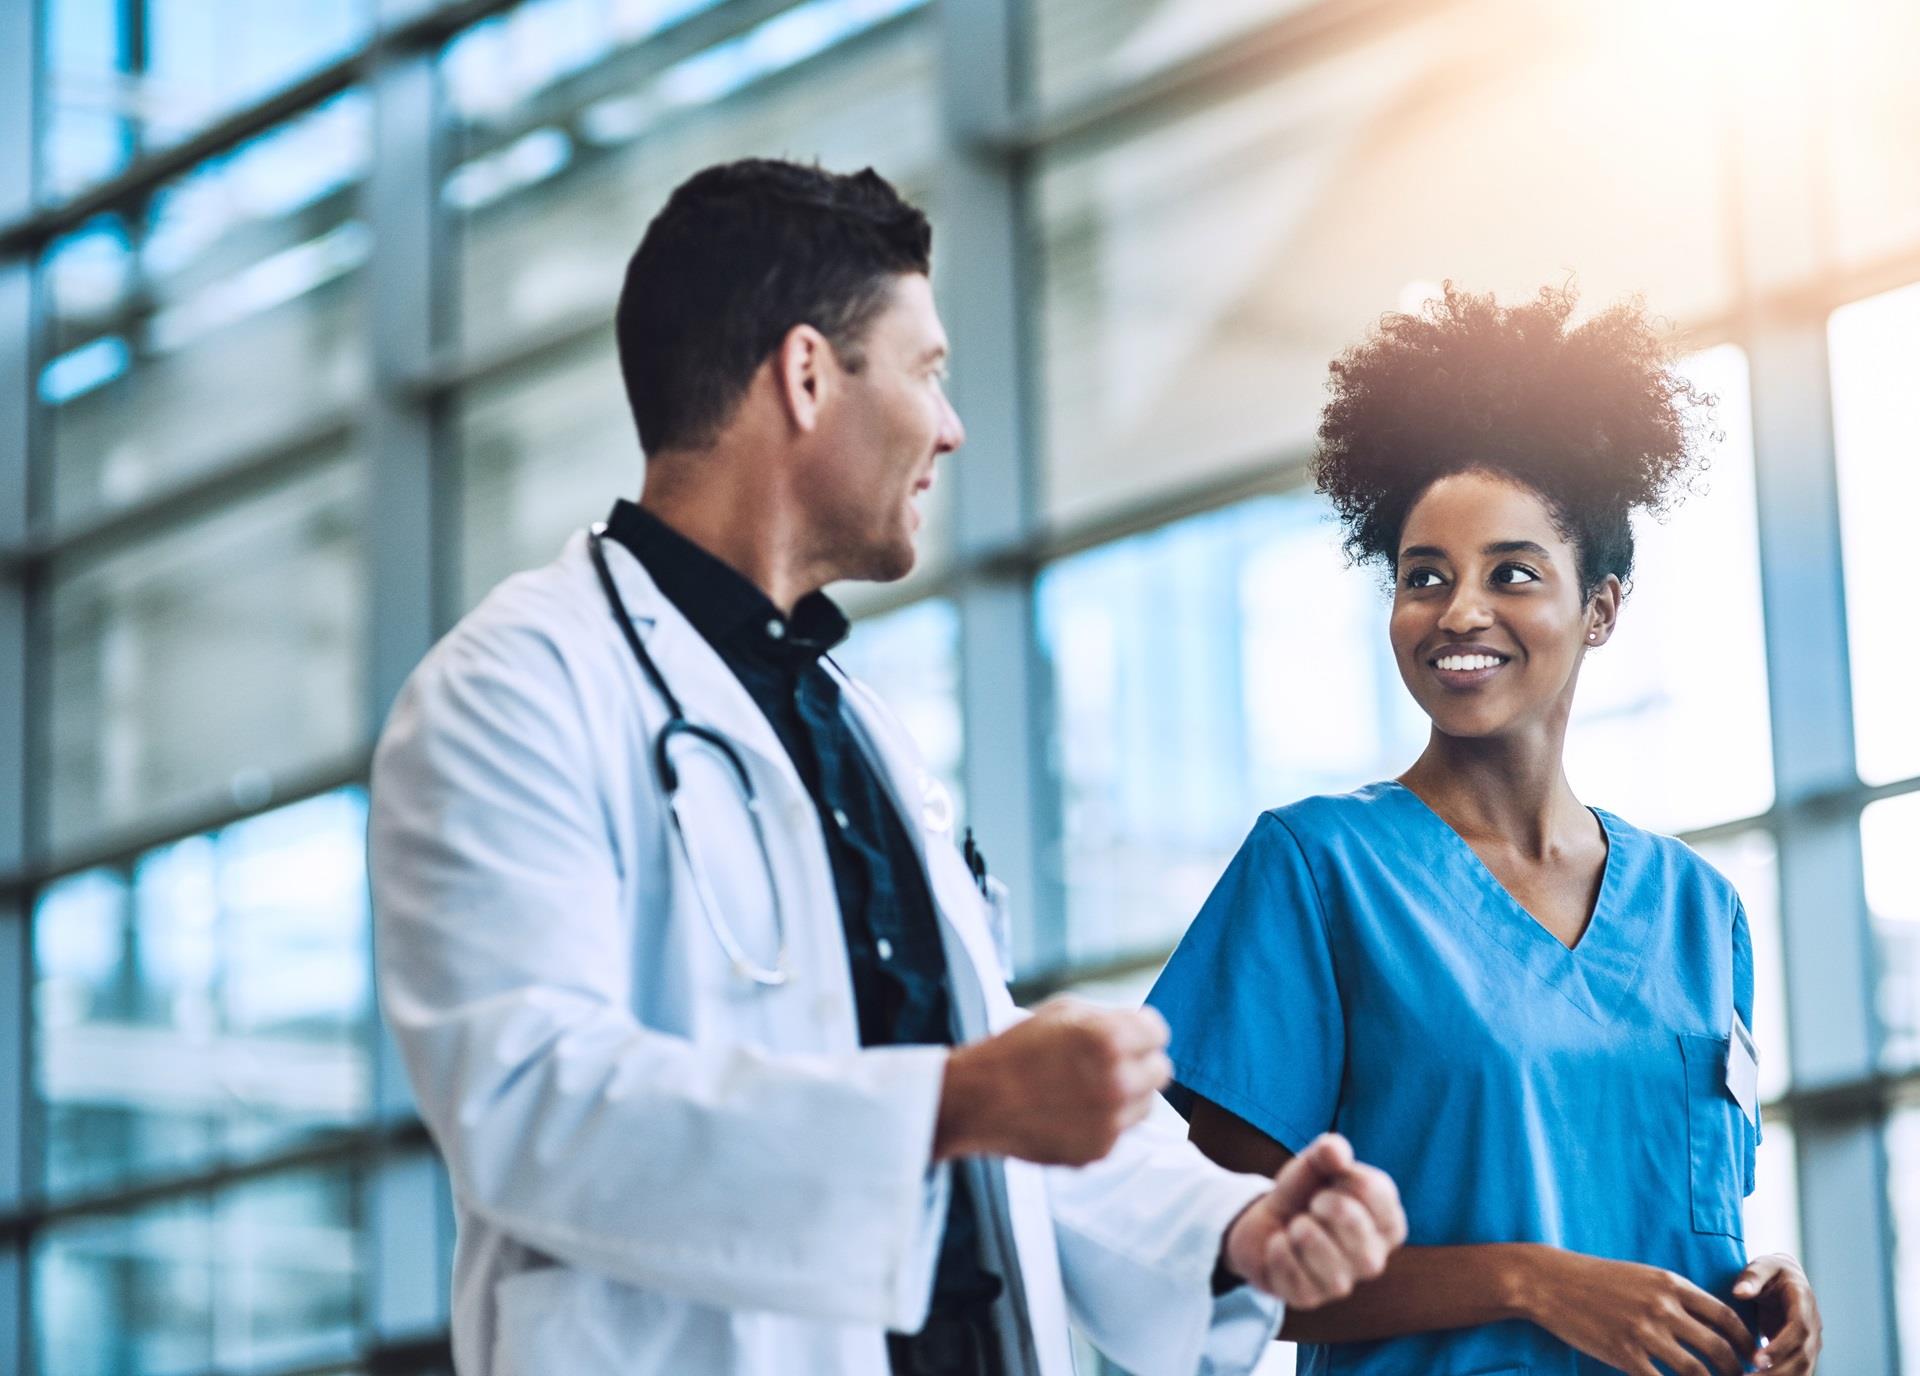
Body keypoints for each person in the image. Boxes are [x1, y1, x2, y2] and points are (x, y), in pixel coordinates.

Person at [368, 158, 1406, 1376]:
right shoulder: (512, 688)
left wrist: (1232, 1225)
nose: (952, 426)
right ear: (807, 375)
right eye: (927, 370)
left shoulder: (852, 721)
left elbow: (990, 1097)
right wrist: (954, 1100)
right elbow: (533, 1105)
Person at [1146, 285, 1824, 1376]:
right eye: (1423, 577)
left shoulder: (1699, 910)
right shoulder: (1319, 871)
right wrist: (1527, 1280)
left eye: (1511, 572)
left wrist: (1753, 1288)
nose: (1457, 609)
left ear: (1599, 606)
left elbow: (1667, 1225)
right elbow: (1214, 1256)